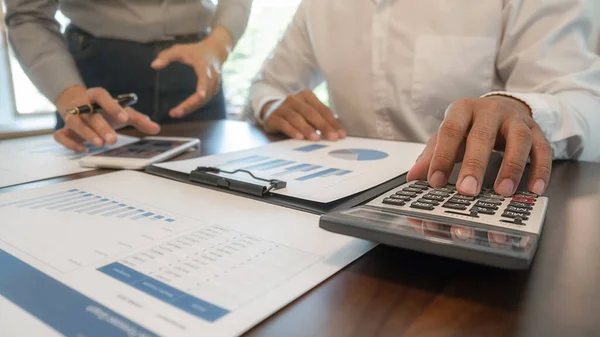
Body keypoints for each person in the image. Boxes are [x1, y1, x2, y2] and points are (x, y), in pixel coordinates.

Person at [248, 0, 600, 199]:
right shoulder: (317, 7)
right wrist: (272, 106)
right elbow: (267, 85)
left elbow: (584, 102)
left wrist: (521, 109)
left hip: (473, 202)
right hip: (338, 206)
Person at [5, 0, 252, 152]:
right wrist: (68, 94)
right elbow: (28, 15)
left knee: (212, 196)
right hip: (92, 78)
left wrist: (218, 46)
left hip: (197, 69)